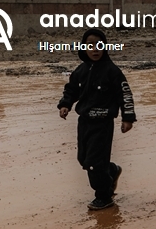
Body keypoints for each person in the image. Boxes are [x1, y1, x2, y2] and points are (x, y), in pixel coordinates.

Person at [58, 28, 136, 210]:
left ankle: (103, 196)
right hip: (84, 122)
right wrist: (65, 105)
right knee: (84, 159)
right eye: (90, 45)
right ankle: (111, 170)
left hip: (103, 124)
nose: (95, 49)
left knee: (94, 163)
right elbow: (71, 90)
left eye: (99, 45)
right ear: (83, 48)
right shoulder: (80, 70)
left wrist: (128, 118)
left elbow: (125, 94)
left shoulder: (112, 71)